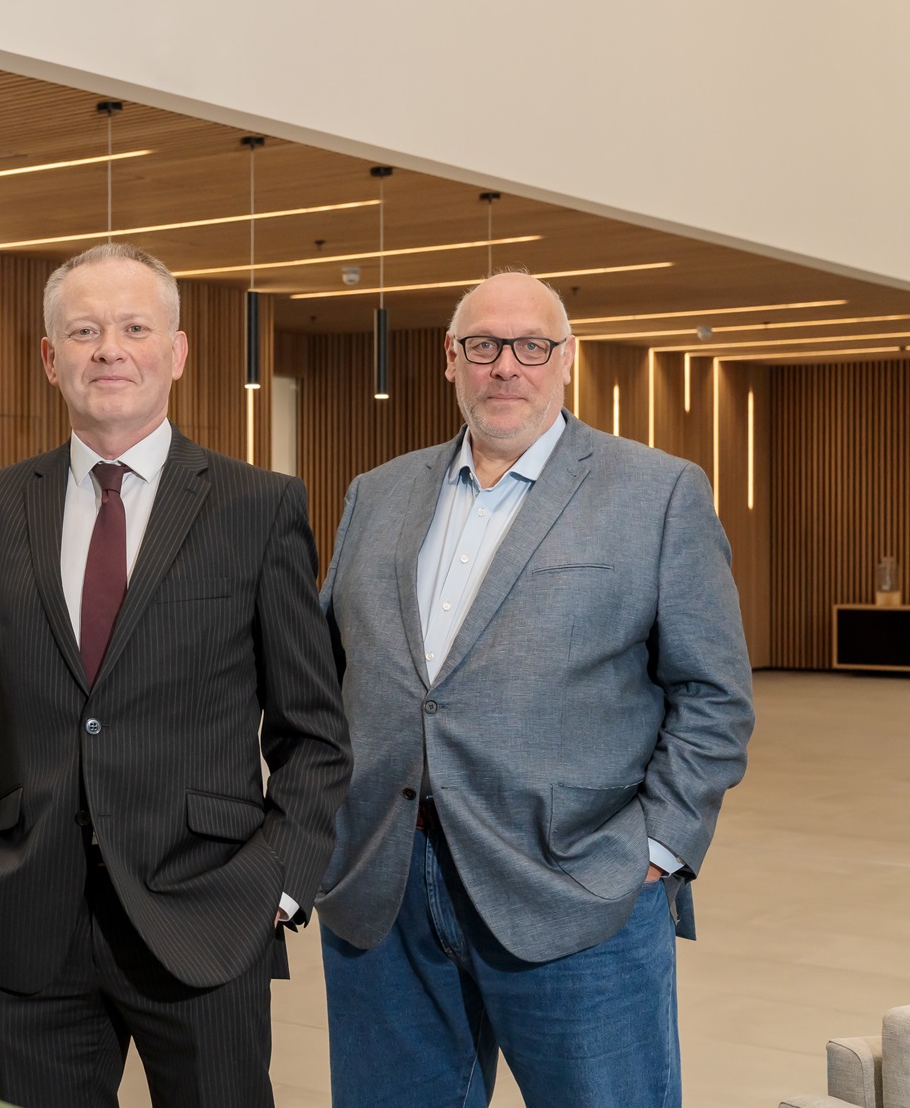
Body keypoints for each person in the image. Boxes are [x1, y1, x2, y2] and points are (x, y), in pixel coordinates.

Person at [0, 242, 351, 1108]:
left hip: (207, 917)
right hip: (25, 923)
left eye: (131, 327)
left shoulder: (257, 507)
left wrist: (274, 886)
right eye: (82, 331)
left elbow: (314, 732)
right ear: (50, 359)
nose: (107, 349)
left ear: (176, 352)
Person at [315, 271, 754, 1107]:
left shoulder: (657, 493)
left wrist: (654, 849)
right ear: (450, 359)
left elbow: (714, 695)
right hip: (385, 887)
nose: (504, 367)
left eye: (530, 347)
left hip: (576, 891)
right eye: (482, 346)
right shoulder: (377, 495)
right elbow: (327, 673)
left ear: (565, 359)